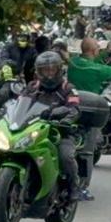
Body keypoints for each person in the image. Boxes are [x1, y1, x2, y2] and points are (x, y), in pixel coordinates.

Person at [22, 50, 91, 202]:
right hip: (33, 130)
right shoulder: (32, 87)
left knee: (65, 156)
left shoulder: (68, 88)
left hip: (60, 132)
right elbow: (19, 104)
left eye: (52, 70)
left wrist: (65, 115)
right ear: (38, 71)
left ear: (59, 70)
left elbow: (74, 108)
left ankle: (75, 188)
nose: (48, 75)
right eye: (44, 71)